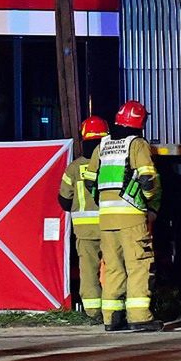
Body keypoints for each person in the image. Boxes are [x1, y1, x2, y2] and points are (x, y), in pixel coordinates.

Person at [94, 99, 163, 332]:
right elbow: (147, 178)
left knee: (113, 267)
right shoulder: (137, 144)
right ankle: (139, 316)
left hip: (106, 218)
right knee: (139, 265)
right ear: (141, 122)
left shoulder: (102, 145)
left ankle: (111, 318)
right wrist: (149, 201)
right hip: (132, 216)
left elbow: (90, 181)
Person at [58, 115, 109, 328]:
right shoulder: (109, 165)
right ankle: (113, 310)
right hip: (110, 226)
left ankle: (92, 311)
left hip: (84, 230)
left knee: (88, 270)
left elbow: (63, 200)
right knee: (113, 268)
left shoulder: (74, 168)